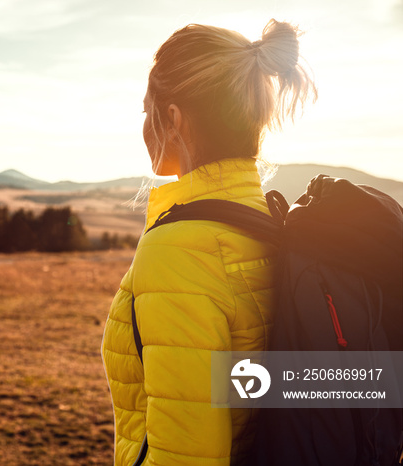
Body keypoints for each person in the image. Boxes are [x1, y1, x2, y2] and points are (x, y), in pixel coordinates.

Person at [101, 19, 316, 465]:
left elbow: (186, 455)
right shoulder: (272, 224)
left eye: (147, 111)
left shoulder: (180, 249)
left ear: (173, 119)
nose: (145, 125)